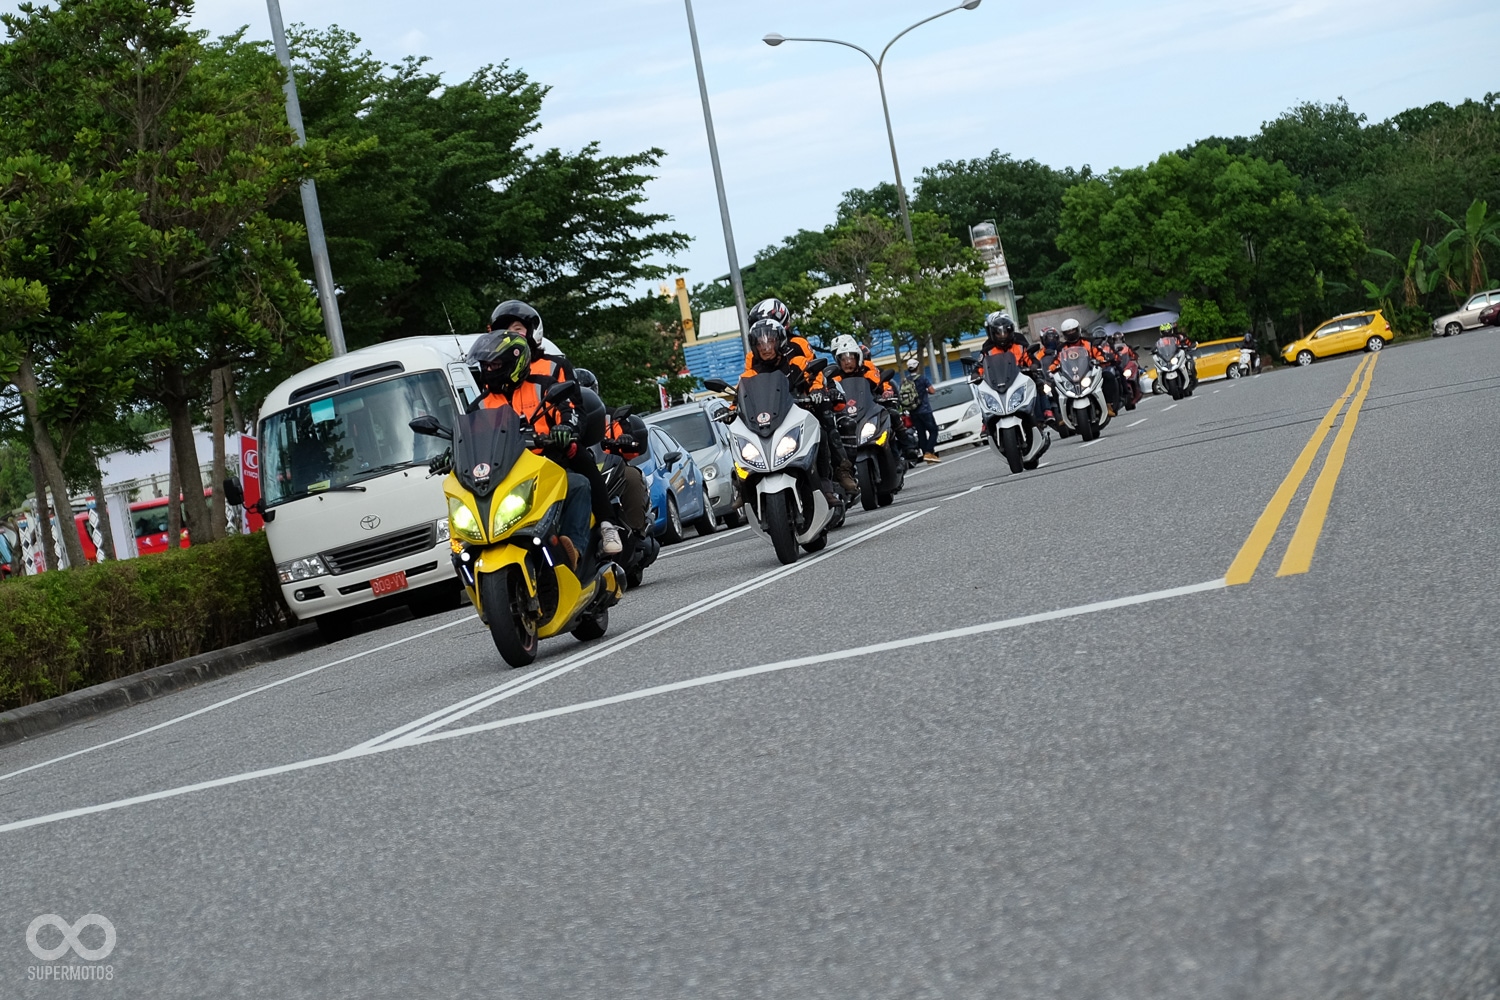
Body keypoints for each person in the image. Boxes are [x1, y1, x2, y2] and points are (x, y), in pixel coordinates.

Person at [486, 301, 621, 557]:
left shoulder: (552, 366)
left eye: (517, 329)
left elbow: (571, 406)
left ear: (532, 331)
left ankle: (606, 525)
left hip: (550, 450)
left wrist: (564, 428)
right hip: (509, 460)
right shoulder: (493, 376)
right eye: (504, 332)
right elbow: (479, 420)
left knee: (580, 467)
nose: (511, 336)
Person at [467, 332, 592, 570]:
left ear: (514, 362)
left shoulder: (543, 388)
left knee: (578, 485)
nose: (489, 370)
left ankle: (573, 550)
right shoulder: (481, 405)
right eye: (485, 365)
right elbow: (469, 438)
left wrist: (565, 427)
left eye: (494, 364)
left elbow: (570, 411)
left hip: (545, 467)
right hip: (502, 477)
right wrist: (449, 453)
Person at [974, 312, 1053, 424]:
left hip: (1021, 376)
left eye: (1005, 332)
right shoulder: (988, 348)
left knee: (1038, 382)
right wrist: (976, 374)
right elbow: (981, 365)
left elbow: (1028, 356)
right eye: (998, 333)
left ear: (1011, 331)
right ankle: (986, 423)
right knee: (983, 394)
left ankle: (1045, 411)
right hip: (998, 381)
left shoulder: (1019, 342)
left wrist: (1033, 365)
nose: (1002, 335)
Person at [1053, 318, 1121, 415]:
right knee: (1054, 385)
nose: (1071, 333)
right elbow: (1056, 361)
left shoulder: (1090, 342)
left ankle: (1108, 404)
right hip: (1070, 375)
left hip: (1089, 372)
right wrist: (1052, 367)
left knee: (1108, 376)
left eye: (1073, 330)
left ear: (1078, 330)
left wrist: (1100, 359)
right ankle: (1063, 413)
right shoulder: (1061, 348)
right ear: (1064, 334)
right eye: (1068, 332)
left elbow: (1098, 354)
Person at [906, 358, 940, 462]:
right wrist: (925, 391)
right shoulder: (922, 378)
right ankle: (929, 452)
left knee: (921, 434)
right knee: (934, 430)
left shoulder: (906, 380)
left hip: (913, 411)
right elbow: (932, 391)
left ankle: (927, 455)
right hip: (924, 410)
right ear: (917, 367)